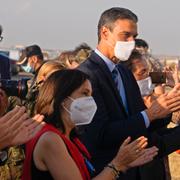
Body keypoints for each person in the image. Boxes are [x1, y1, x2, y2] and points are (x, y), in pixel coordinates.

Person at [78, 7, 180, 180]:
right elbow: (100, 134)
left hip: (135, 172)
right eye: (126, 35)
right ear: (105, 32)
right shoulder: (86, 75)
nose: (131, 42)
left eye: (135, 37)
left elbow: (139, 122)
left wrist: (168, 106)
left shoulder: (123, 72)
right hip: (107, 171)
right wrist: (150, 114)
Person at [22, 69, 158, 180]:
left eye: (91, 94)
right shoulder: (50, 139)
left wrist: (124, 164)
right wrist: (117, 165)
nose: (91, 100)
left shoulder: (70, 137)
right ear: (62, 98)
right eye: (85, 93)